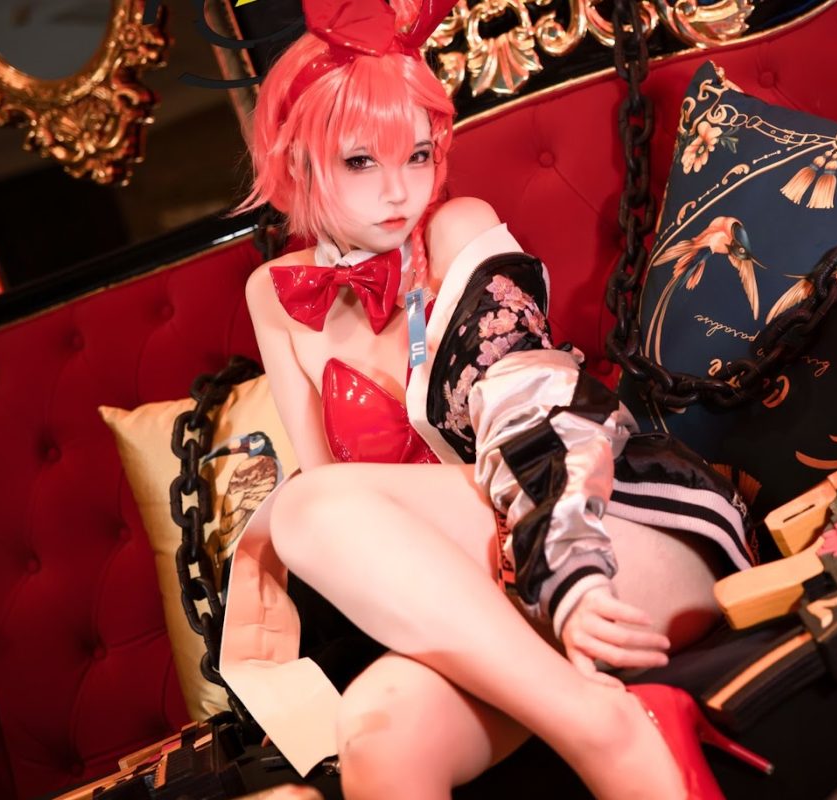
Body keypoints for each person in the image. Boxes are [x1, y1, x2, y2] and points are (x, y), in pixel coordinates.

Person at [217, 1, 767, 798]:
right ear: (298, 164)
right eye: (360, 162)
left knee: (303, 508)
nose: (399, 190)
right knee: (377, 736)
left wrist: (570, 570)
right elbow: (349, 511)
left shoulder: (457, 228)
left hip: (608, 528)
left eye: (417, 154)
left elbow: (530, 407)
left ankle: (607, 734)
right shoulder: (273, 296)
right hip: (478, 595)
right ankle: (601, 721)